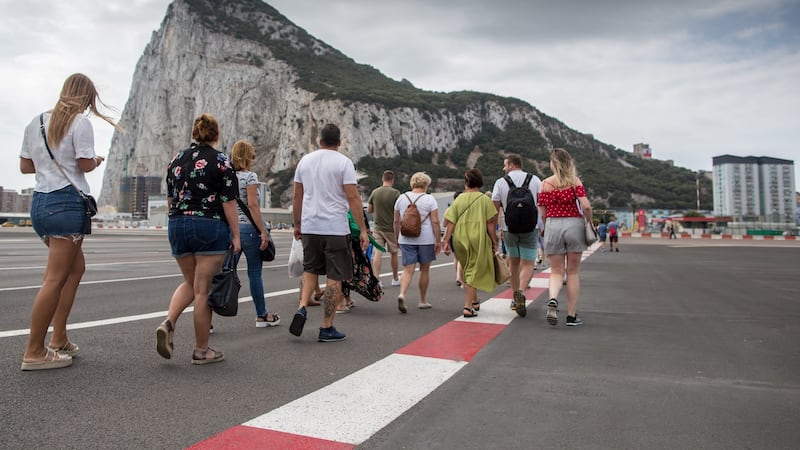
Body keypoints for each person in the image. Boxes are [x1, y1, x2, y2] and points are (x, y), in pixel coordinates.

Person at [19, 73, 119, 371]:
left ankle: (59, 337)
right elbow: (85, 163)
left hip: (40, 203)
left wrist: (50, 163)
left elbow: (25, 167)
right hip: (65, 203)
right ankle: (34, 350)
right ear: (86, 98)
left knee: (75, 268)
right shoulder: (79, 123)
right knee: (54, 278)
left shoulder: (35, 122)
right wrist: (97, 161)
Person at [156, 113, 241, 365]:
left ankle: (169, 322)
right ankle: (202, 350)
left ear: (194, 134)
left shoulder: (176, 161)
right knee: (203, 290)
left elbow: (171, 200)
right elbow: (229, 203)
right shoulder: (222, 162)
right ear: (216, 135)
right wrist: (236, 235)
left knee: (190, 281)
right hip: (208, 225)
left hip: (177, 224)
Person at [290, 124, 368, 342]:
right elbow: (353, 198)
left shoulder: (305, 161)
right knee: (334, 277)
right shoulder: (344, 162)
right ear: (339, 142)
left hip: (310, 226)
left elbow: (297, 195)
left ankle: (302, 306)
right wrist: (363, 229)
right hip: (334, 228)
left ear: (319, 140)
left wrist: (297, 224)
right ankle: (327, 327)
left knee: (310, 270)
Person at [537, 148, 592, 327]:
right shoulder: (574, 182)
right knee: (573, 272)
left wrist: (547, 226)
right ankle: (571, 316)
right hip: (574, 225)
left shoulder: (545, 184)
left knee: (556, 271)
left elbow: (542, 212)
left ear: (553, 164)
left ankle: (553, 299)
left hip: (553, 225)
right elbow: (586, 206)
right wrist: (589, 222)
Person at [231, 140, 279, 328]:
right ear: (248, 157)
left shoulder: (225, 177)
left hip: (231, 230)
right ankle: (261, 315)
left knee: (225, 273)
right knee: (254, 273)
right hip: (249, 231)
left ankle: (207, 319)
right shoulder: (250, 177)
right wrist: (263, 231)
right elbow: (253, 206)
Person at [442, 169, 499, 318]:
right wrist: (495, 241)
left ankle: (475, 301)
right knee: (474, 271)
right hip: (478, 238)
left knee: (468, 269)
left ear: (466, 182)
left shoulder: (459, 199)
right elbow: (490, 224)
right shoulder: (485, 200)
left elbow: (451, 222)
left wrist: (446, 240)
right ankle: (467, 307)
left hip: (460, 239)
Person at [491, 154, 541, 317]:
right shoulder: (535, 180)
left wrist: (496, 229)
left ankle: (515, 296)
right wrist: (541, 225)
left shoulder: (500, 182)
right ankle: (522, 291)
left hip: (509, 228)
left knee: (513, 263)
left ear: (512, 165)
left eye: (505, 165)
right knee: (528, 263)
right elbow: (541, 205)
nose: (504, 168)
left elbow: (495, 209)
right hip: (530, 228)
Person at [393, 172, 441, 311]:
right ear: (426, 184)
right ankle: (422, 300)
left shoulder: (401, 198)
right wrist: (438, 240)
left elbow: (396, 220)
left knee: (408, 269)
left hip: (406, 238)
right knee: (424, 270)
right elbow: (436, 221)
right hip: (426, 239)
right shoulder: (429, 199)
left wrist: (397, 238)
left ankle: (402, 294)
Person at [367, 170, 402, 287]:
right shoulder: (396, 193)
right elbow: (399, 211)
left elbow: (369, 210)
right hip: (391, 228)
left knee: (378, 252)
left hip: (377, 227)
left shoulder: (375, 192)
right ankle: (395, 278)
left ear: (383, 179)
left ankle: (377, 279)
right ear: (392, 180)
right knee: (394, 253)